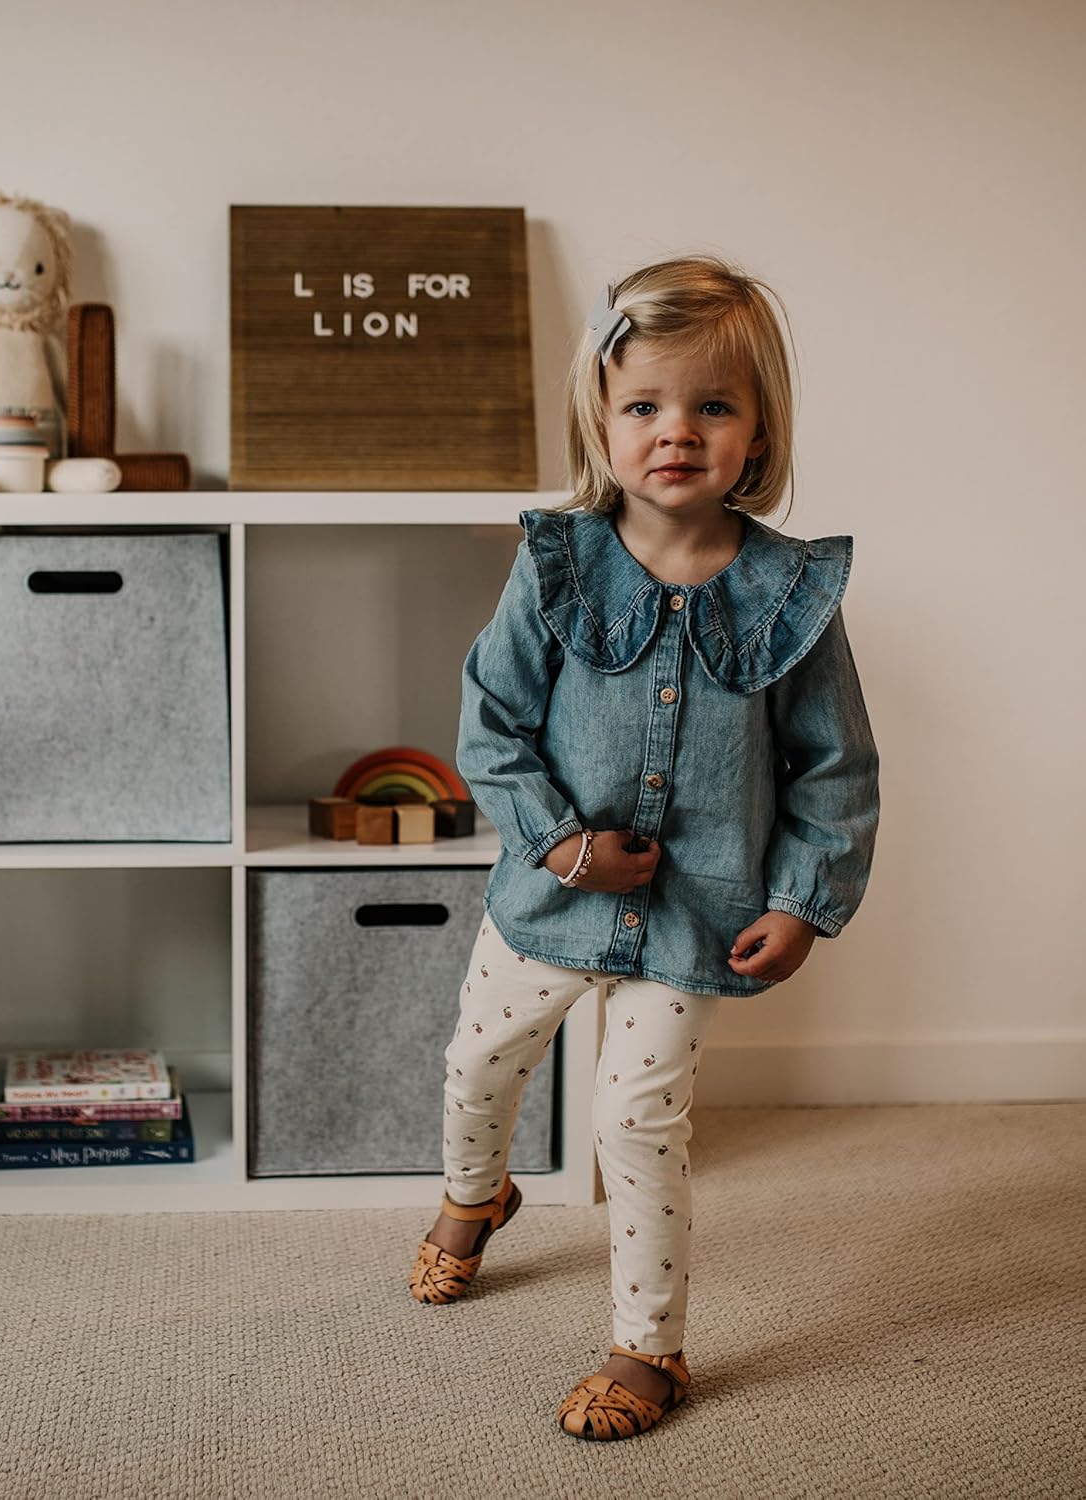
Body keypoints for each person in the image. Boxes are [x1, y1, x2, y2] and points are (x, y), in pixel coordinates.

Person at [407, 255, 881, 1441]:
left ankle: (647, 1349)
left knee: (634, 1120)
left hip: (698, 913)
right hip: (550, 896)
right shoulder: (557, 564)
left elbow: (835, 767)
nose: (678, 433)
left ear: (759, 427)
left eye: (714, 406)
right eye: (646, 406)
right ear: (602, 419)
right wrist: (564, 849)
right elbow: (493, 723)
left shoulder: (791, 595)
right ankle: (478, 1196)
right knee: (478, 1065)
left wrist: (807, 900)